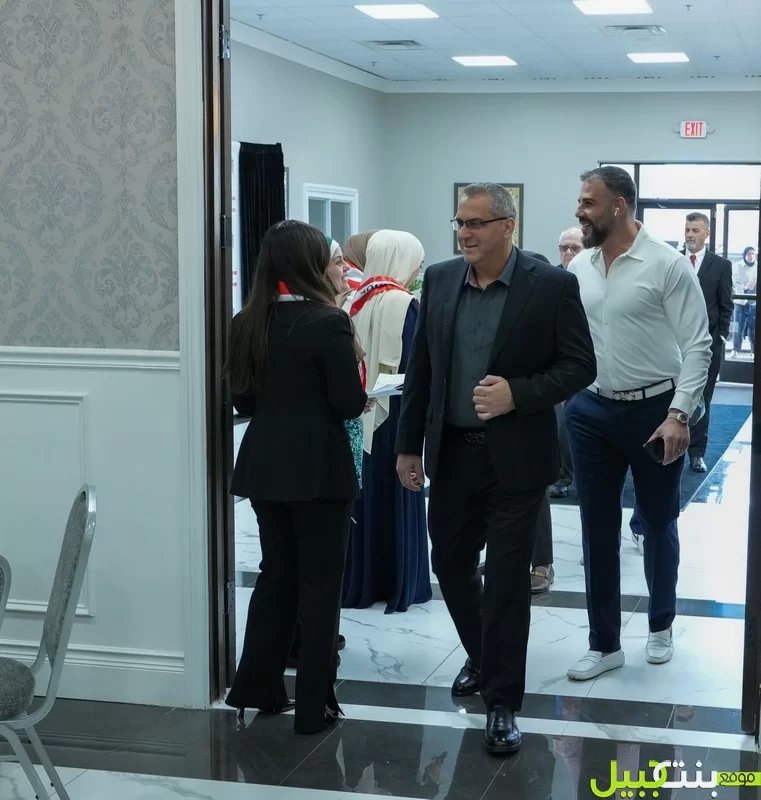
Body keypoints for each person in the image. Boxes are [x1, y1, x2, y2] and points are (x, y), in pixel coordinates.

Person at [396, 183, 596, 754]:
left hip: (517, 459)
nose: (464, 233)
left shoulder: (550, 285)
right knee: (450, 563)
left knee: (507, 579)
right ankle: (483, 657)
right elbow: (421, 370)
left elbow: (580, 366)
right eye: (460, 223)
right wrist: (408, 446)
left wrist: (518, 394)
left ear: (508, 227)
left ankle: (503, 701)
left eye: (476, 223)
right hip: (453, 452)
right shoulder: (439, 281)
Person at [565, 167, 711, 682]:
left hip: (655, 412)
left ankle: (660, 623)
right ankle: (604, 643)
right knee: (595, 526)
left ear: (618, 206)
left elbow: (698, 345)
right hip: (591, 411)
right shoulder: (580, 265)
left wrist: (680, 414)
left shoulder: (666, 264)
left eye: (588, 202)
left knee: (657, 521)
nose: (580, 210)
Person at [224, 220, 367, 734]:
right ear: (310, 264)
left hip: (264, 467)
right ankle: (313, 706)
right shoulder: (328, 321)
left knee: (276, 577)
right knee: (321, 586)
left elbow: (243, 401)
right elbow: (347, 403)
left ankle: (255, 688)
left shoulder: (245, 321)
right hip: (320, 471)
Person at [342, 229, 432, 613]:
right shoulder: (405, 305)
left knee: (363, 495)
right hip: (395, 415)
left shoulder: (350, 300)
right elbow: (418, 366)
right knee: (397, 490)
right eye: (416, 262)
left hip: (357, 413)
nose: (417, 270)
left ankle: (362, 580)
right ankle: (399, 581)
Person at [681, 212, 733, 473]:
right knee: (669, 396)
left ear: (707, 234)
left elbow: (726, 304)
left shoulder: (721, 265)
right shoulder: (673, 260)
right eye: (687, 230)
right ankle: (667, 448)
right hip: (675, 344)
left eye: (695, 230)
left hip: (707, 344)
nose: (690, 235)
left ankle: (696, 453)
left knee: (702, 398)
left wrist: (720, 336)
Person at [549, 227, 584, 499]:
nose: (568, 252)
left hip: (590, 361)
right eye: (564, 248)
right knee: (560, 423)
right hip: (558, 362)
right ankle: (562, 477)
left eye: (575, 247)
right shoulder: (549, 279)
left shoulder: (595, 277)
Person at [731, 246, 757, 356]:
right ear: (745, 255)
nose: (751, 256)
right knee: (737, 327)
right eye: (749, 254)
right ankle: (735, 349)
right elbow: (733, 282)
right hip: (740, 300)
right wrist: (745, 287)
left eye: (753, 254)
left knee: (753, 327)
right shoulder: (737, 266)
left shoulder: (757, 266)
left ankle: (754, 351)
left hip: (753, 300)